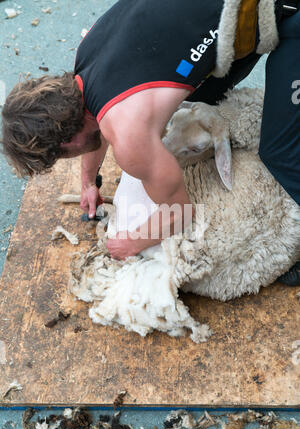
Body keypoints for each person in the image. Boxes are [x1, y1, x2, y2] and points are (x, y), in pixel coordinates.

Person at [1, 0, 299, 284]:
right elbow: (97, 123)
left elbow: (181, 211)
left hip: (287, 12)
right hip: (230, 15)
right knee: (193, 100)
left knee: (280, 153)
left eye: (61, 156)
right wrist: (88, 181)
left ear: (67, 142)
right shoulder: (85, 55)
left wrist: (131, 243)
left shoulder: (131, 141)